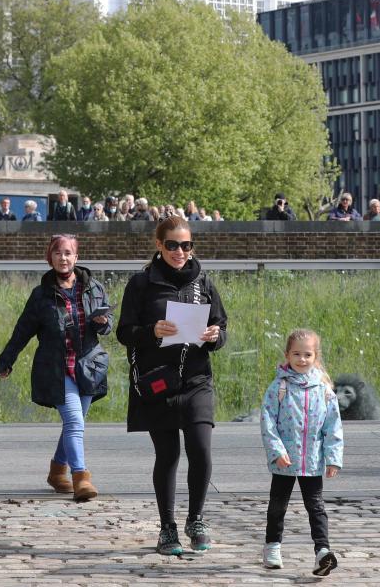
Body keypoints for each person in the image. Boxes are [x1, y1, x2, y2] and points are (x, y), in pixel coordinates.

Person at [117, 215, 228, 555]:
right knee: (168, 454)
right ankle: (167, 529)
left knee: (201, 448)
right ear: (159, 245)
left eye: (186, 245)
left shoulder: (203, 282)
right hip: (159, 381)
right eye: (173, 245)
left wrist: (214, 335)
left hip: (196, 378)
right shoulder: (141, 284)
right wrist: (151, 331)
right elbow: (124, 332)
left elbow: (221, 326)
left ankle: (196, 518)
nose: (180, 251)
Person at [0, 234, 113, 502]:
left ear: (77, 257)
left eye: (68, 253)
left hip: (87, 366)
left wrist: (102, 321)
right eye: (58, 253)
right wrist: (7, 359)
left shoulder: (94, 288)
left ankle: (56, 472)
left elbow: (107, 326)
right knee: (74, 421)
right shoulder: (41, 295)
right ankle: (81, 478)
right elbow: (22, 330)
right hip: (56, 368)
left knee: (76, 422)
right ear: (49, 258)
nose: (63, 258)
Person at [260, 329, 343, 575]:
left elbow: (333, 426)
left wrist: (333, 458)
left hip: (313, 461)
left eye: (307, 354)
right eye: (296, 354)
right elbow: (267, 421)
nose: (302, 359)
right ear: (287, 355)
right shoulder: (279, 387)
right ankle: (273, 545)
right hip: (284, 461)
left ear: (315, 357)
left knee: (316, 506)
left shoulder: (325, 391)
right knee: (278, 505)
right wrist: (276, 451)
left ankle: (323, 551)